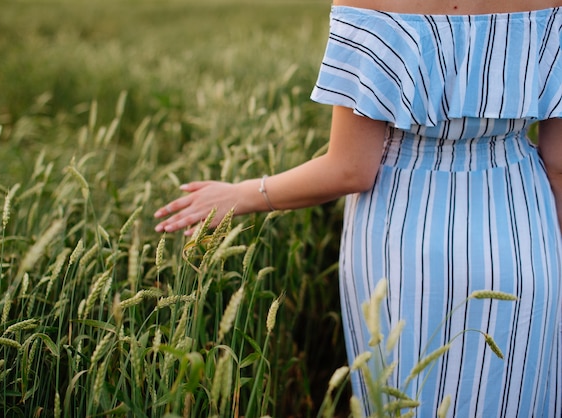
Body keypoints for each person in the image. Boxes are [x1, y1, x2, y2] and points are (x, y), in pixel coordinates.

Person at [155, 0, 562, 415]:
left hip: (402, 240)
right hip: (523, 227)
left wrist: (243, 193)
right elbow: (560, 164)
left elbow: (350, 169)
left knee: (400, 395)